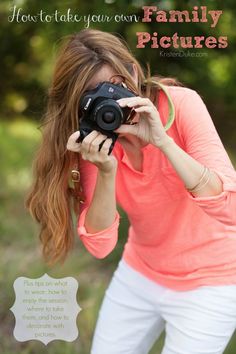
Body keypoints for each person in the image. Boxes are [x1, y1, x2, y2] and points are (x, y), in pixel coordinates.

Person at [26, 29, 236, 354]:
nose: (110, 104)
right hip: (142, 271)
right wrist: (106, 170)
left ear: (134, 72)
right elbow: (101, 246)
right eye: (94, 96)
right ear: (78, 103)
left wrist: (163, 143)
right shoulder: (93, 140)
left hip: (214, 280)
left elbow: (230, 208)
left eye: (116, 86)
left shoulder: (180, 105)